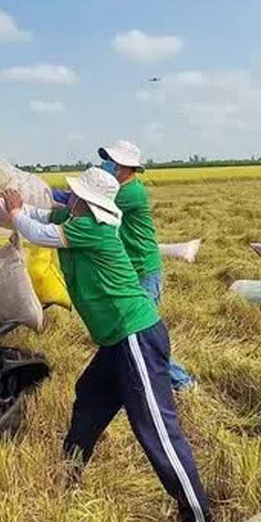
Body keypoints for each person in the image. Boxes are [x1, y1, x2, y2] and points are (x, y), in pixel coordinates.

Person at [0, 169, 212, 522]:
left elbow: (34, 229)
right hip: (117, 340)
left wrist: (13, 213)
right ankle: (68, 472)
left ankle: (201, 520)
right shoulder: (74, 218)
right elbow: (36, 216)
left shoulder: (94, 228)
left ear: (87, 202)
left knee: (156, 429)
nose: (68, 196)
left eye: (74, 194)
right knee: (89, 397)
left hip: (136, 335)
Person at [99, 140, 196, 391]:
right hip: (132, 270)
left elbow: (87, 204)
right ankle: (127, 382)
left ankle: (182, 382)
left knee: (143, 336)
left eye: (110, 161)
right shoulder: (119, 188)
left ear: (124, 166)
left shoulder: (129, 193)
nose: (105, 165)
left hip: (144, 271)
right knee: (127, 333)